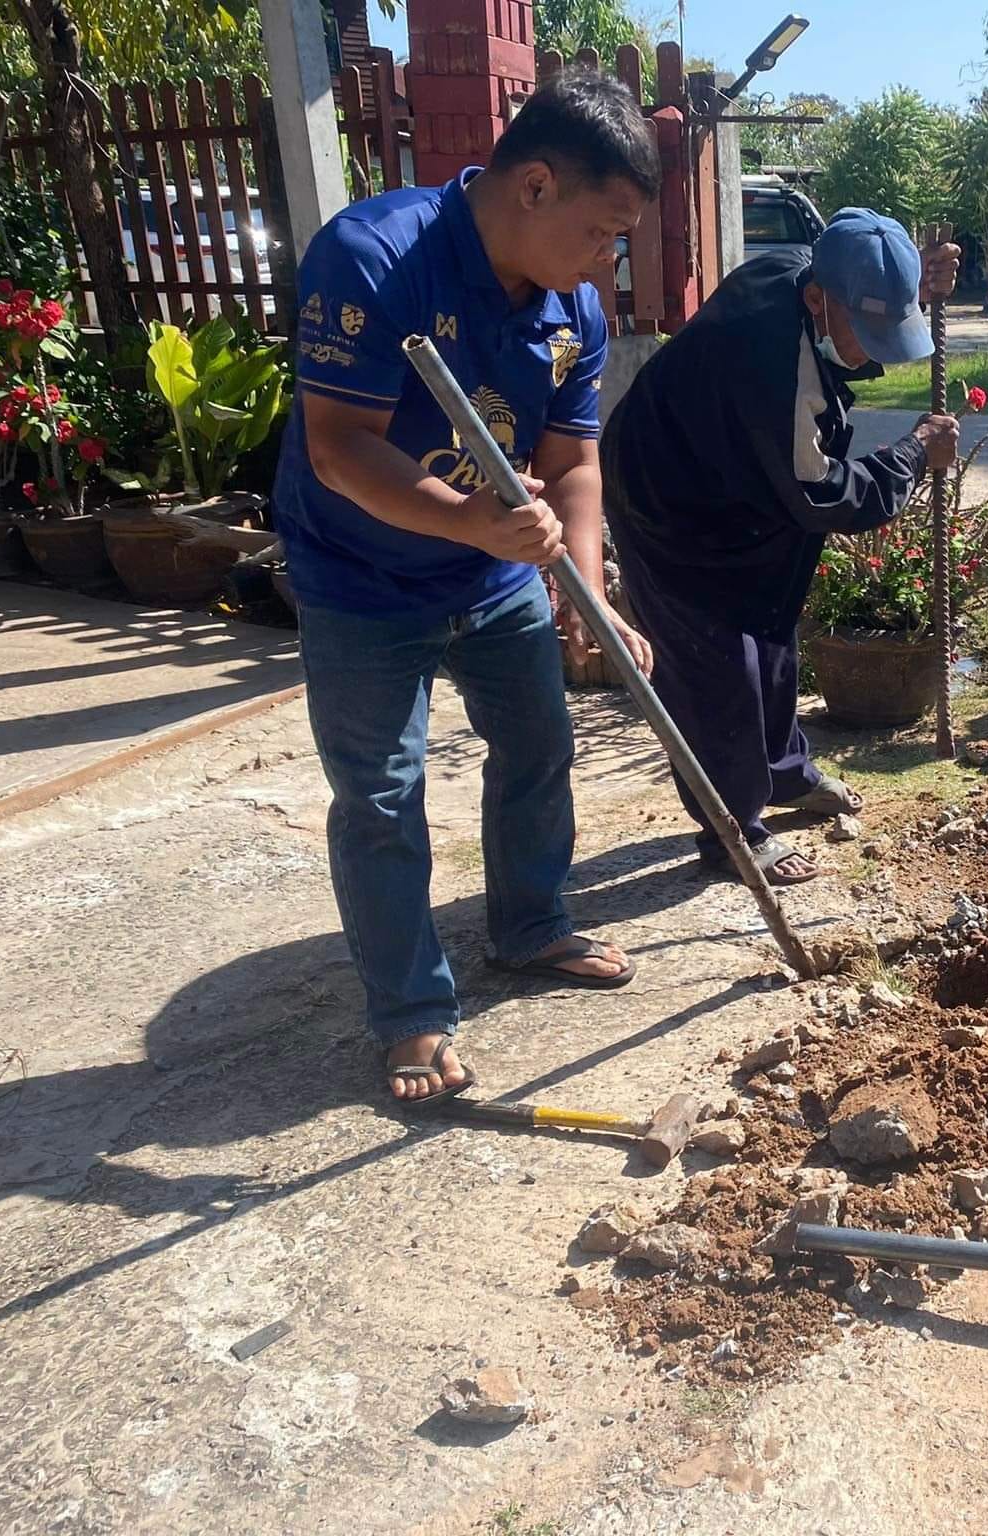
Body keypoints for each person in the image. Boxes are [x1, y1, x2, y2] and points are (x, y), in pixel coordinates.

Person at [272, 73, 660, 1105]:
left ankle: (530, 926)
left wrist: (582, 583)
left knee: (537, 741)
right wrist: (473, 522)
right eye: (602, 230)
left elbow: (571, 461)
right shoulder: (374, 258)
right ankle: (410, 1014)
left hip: (493, 570)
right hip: (361, 575)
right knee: (382, 795)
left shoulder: (571, 305)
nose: (606, 260)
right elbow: (340, 449)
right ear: (533, 186)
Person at [603, 210, 961, 886]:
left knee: (772, 637)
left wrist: (914, 275)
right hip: (668, 503)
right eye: (868, 334)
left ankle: (784, 774)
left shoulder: (815, 267)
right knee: (720, 667)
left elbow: (860, 262)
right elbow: (822, 495)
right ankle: (734, 831)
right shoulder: (768, 363)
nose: (875, 353)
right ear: (816, 302)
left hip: (735, 487)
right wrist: (912, 453)